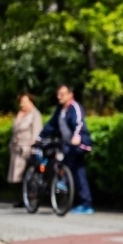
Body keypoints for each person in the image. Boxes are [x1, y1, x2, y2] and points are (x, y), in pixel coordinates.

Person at [38, 85, 94, 214]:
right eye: (58, 94)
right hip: (67, 144)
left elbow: (79, 123)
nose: (59, 97)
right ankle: (63, 187)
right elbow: (51, 125)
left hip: (78, 144)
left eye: (62, 94)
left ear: (70, 94)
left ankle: (86, 204)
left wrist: (77, 137)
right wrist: (39, 137)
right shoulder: (60, 110)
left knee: (78, 173)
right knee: (63, 164)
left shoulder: (75, 107)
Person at [8, 93, 43, 207]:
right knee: (18, 175)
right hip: (17, 148)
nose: (22, 104)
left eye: (25, 101)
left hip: (27, 148)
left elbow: (37, 132)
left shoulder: (35, 114)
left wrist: (33, 146)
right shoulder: (21, 114)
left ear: (31, 101)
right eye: (21, 102)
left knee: (26, 174)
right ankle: (22, 198)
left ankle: (30, 197)